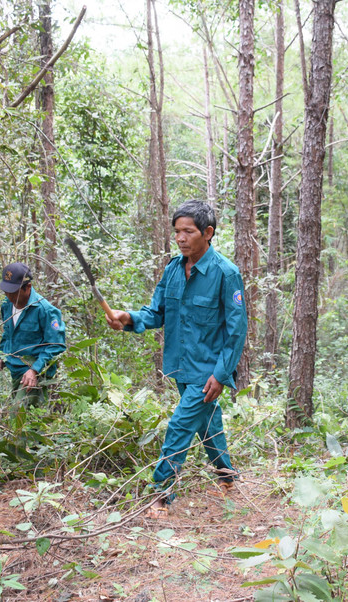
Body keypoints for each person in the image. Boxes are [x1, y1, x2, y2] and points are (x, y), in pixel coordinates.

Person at [107, 200, 248, 517]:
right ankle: (227, 477)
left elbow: (236, 331)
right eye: (177, 232)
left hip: (207, 372)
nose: (181, 238)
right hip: (180, 366)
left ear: (207, 233)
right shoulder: (173, 269)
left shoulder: (226, 273)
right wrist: (127, 318)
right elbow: (156, 313)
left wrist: (220, 374)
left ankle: (160, 496)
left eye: (188, 232)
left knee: (180, 427)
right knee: (208, 425)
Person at [0, 262, 66, 405]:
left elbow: (56, 345)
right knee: (23, 415)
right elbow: (7, 334)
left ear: (28, 287)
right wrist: (2, 356)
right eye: (6, 291)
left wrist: (35, 370)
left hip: (35, 373)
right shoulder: (6, 305)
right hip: (15, 371)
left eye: (13, 292)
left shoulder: (45, 310)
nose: (9, 296)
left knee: (19, 412)